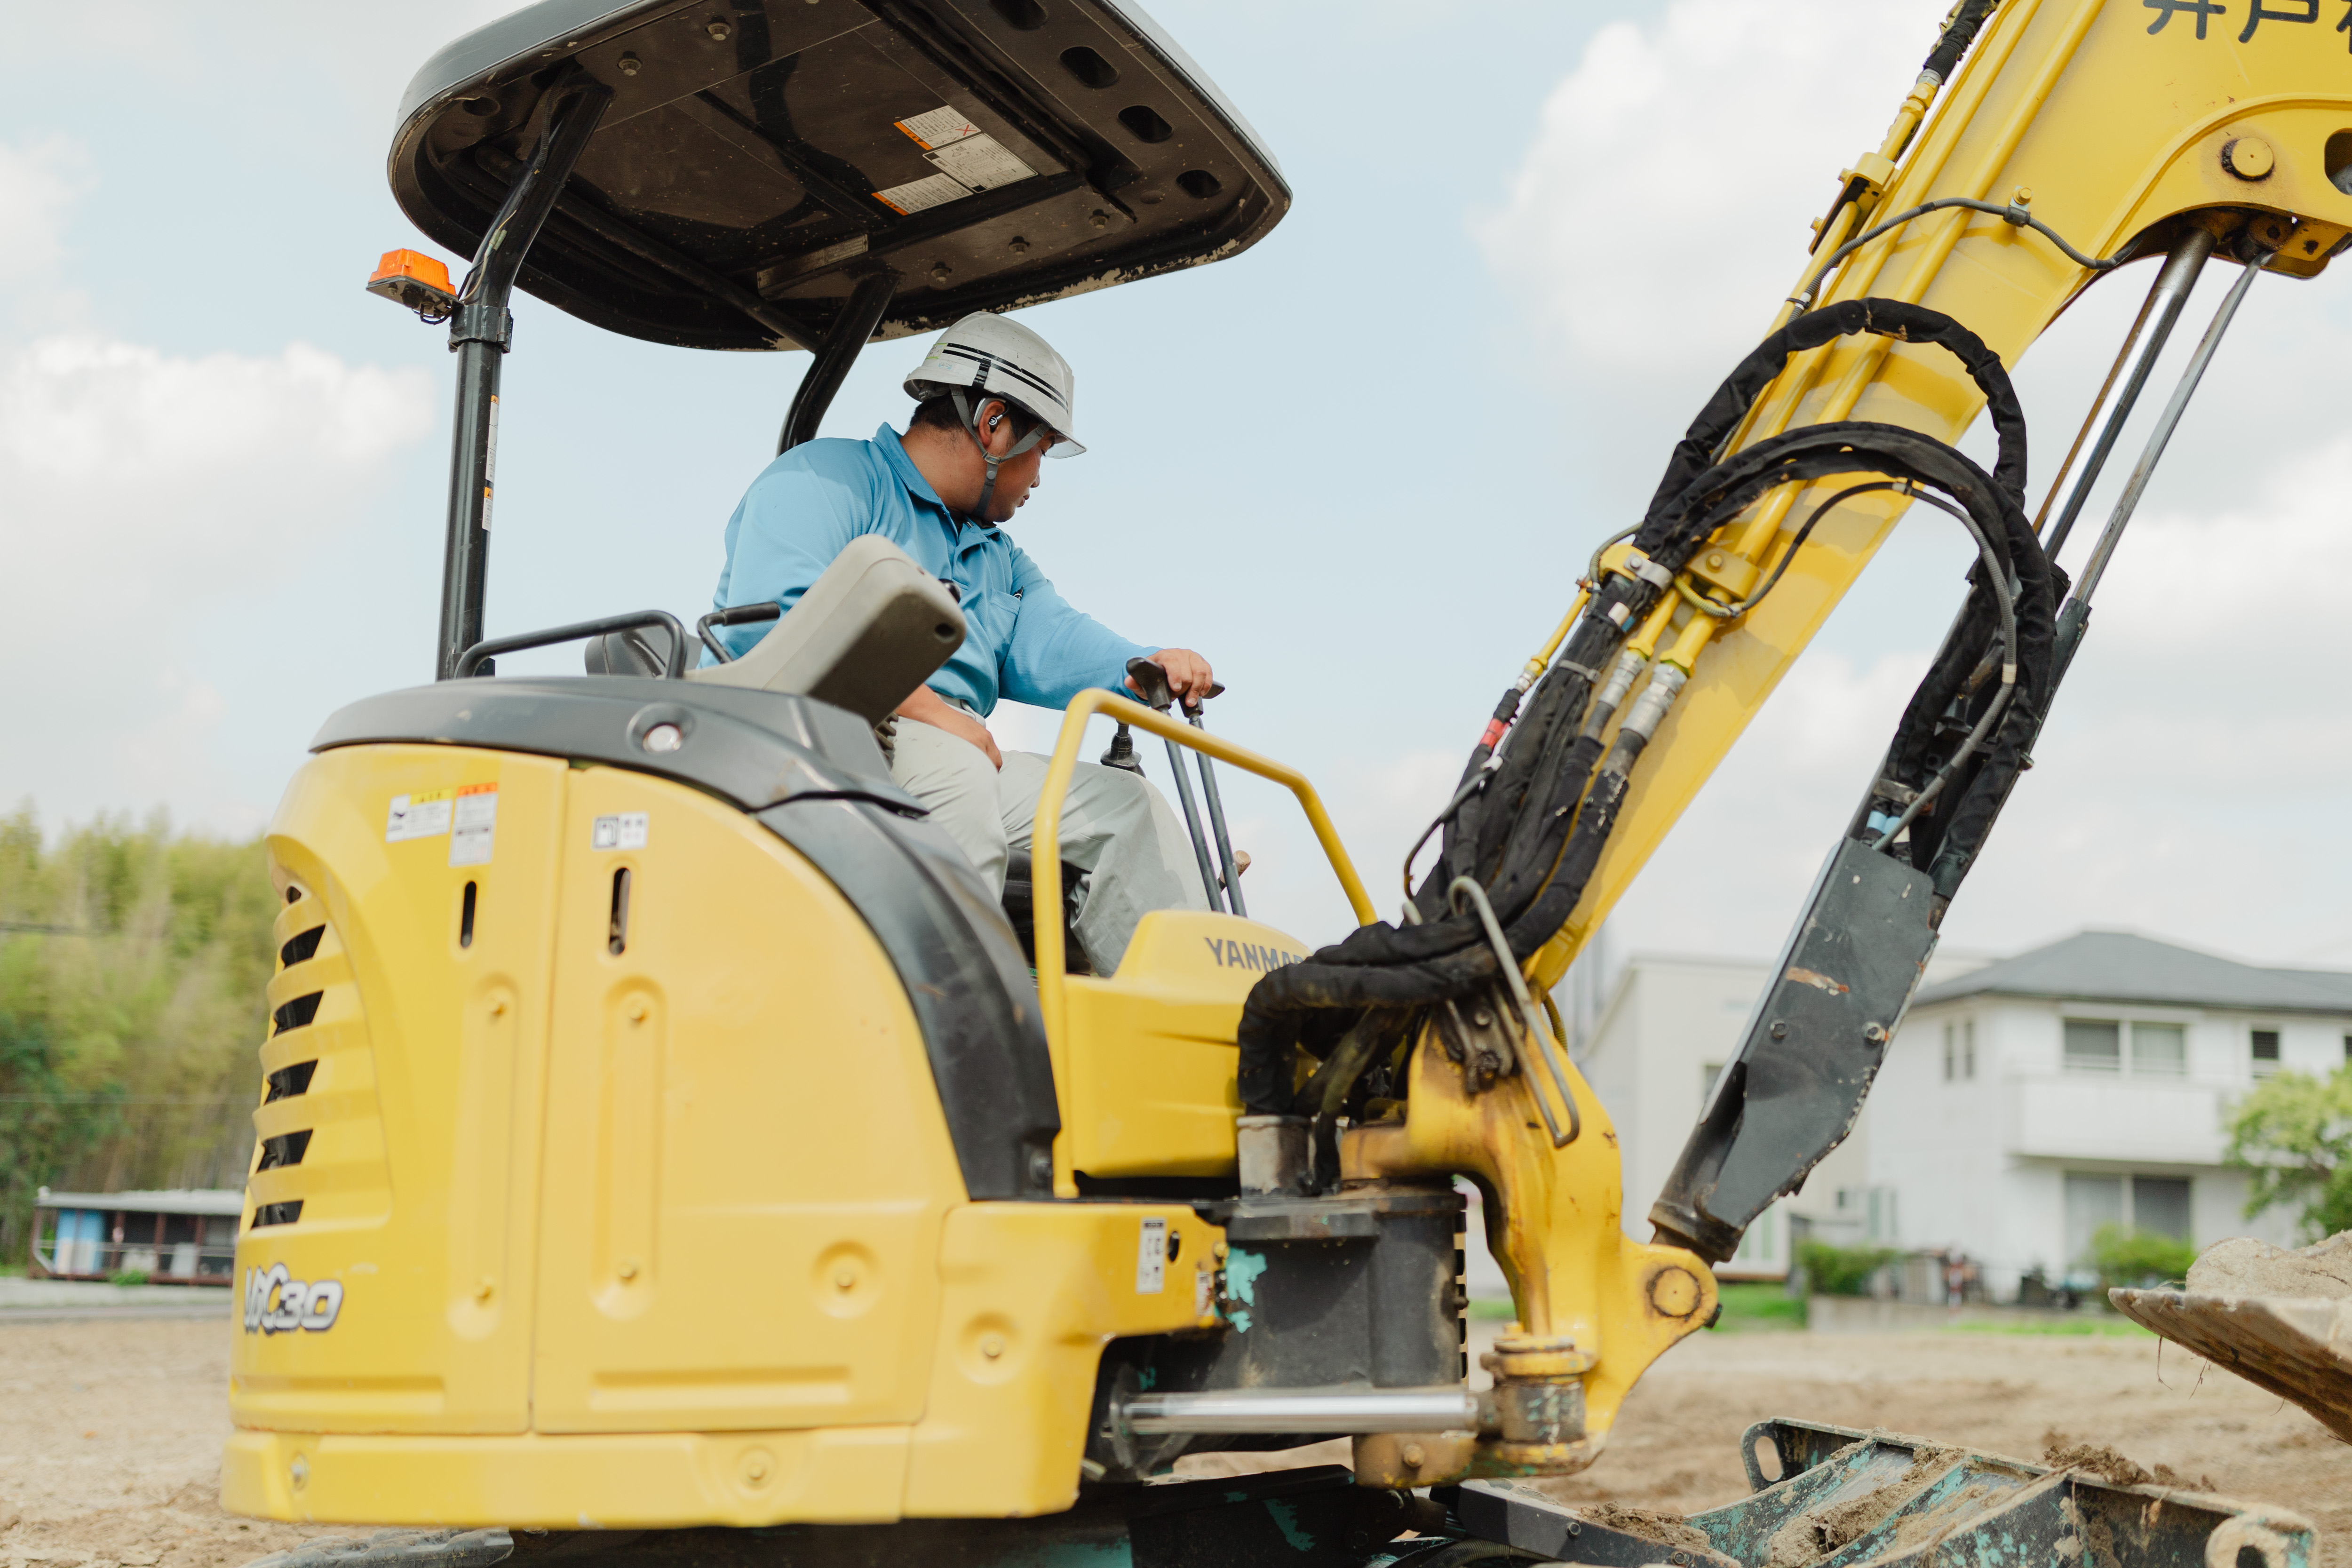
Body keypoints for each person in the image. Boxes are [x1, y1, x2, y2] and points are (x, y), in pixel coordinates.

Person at [707, 311, 1215, 974]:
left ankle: (1205, 1030)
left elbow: (1050, 636)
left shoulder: (994, 555)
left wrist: (1142, 664)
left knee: (1126, 807)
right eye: (1041, 448)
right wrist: (932, 711)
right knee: (957, 771)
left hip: (948, 750)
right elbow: (774, 625)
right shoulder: (826, 480)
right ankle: (963, 1036)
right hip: (811, 737)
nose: (1039, 475)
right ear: (995, 423)